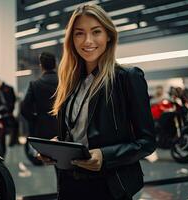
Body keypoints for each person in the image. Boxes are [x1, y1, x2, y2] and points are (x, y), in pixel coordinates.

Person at [38, 4, 156, 200]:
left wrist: (105, 156)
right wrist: (58, 147)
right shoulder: (70, 82)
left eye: (96, 32)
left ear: (109, 36)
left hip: (108, 187)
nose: (88, 41)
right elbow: (76, 132)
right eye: (79, 33)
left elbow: (147, 143)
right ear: (71, 39)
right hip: (69, 184)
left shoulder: (127, 78)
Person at [21, 52, 58, 139]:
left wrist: (35, 120)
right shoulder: (64, 84)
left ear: (41, 66)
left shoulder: (35, 85)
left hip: (42, 129)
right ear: (55, 65)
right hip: (62, 128)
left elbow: (24, 109)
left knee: (44, 152)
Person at [0, 77, 18, 155]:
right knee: (1, 134)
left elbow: (13, 100)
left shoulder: (8, 88)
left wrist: (10, 109)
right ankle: (2, 151)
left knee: (15, 127)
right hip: (0, 116)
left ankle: (12, 143)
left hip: (8, 114)